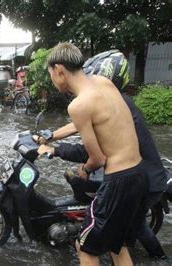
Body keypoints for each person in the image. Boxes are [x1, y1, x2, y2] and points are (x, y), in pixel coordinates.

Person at [37, 50, 168, 260]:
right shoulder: (103, 83)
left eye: (51, 74)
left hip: (119, 182)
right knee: (118, 247)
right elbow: (94, 119)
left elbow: (98, 158)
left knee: (84, 248)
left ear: (59, 70)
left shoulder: (78, 106)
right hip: (139, 175)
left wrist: (85, 169)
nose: (52, 80)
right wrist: (50, 136)